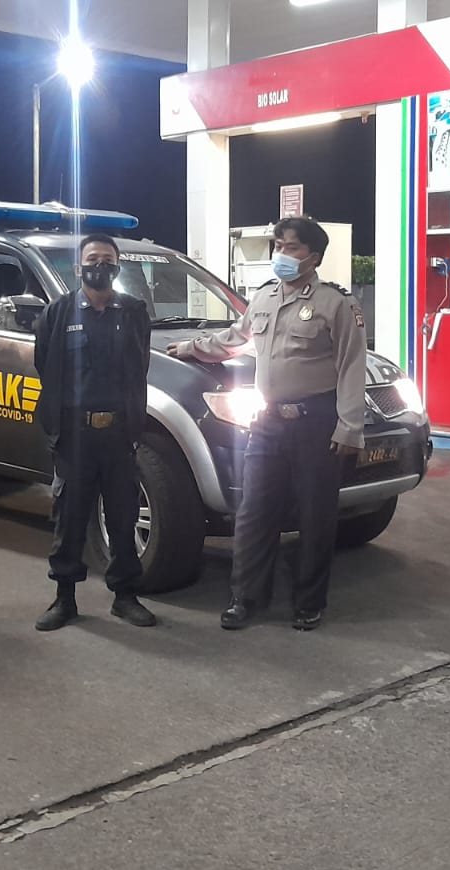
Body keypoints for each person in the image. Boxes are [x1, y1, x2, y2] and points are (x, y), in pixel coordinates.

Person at [167, 216, 366, 631]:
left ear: (313, 257)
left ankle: (309, 603)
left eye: (291, 247)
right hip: (267, 422)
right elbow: (233, 339)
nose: (281, 254)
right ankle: (246, 599)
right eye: (278, 246)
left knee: (315, 516)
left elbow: (352, 366)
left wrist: (350, 427)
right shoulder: (263, 297)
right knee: (254, 513)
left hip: (316, 424)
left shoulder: (336, 303)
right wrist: (190, 348)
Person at [31, 232, 159, 631]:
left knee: (122, 517)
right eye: (92, 260)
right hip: (75, 436)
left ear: (117, 267)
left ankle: (125, 596)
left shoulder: (133, 312)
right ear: (79, 267)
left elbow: (139, 366)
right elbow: (45, 365)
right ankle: (64, 598)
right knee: (69, 518)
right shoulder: (58, 313)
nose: (100, 266)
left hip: (119, 435)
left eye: (107, 260)